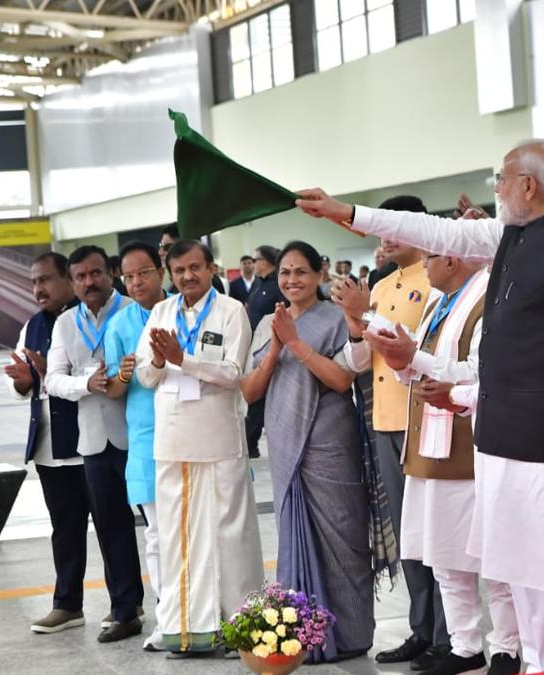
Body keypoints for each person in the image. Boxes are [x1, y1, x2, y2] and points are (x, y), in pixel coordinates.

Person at [297, 137, 544, 675]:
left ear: (528, 185)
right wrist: (347, 213)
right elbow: (438, 232)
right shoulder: (514, 234)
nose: (493, 190)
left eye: (500, 179)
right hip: (507, 445)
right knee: (531, 579)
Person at [363, 253, 522, 675]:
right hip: (428, 440)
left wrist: (413, 358)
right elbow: (419, 365)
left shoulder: (487, 299)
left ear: (452, 260)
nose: (424, 265)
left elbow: (478, 371)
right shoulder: (438, 301)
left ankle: (507, 647)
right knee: (444, 554)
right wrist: (402, 361)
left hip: (468, 442)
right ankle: (464, 645)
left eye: (430, 256)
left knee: (492, 558)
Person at [241, 241, 381, 663]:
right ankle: (303, 635)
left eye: (300, 272)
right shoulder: (268, 321)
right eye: (284, 272)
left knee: (344, 538)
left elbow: (341, 380)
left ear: (320, 274)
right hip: (284, 443)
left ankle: (351, 635)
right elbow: (250, 391)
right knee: (293, 536)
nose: (291, 280)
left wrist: (297, 344)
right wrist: (278, 347)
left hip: (330, 441)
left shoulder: (338, 318)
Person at [333, 196, 448, 669]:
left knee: (439, 531)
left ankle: (450, 635)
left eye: (393, 226)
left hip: (427, 418)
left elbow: (418, 347)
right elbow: (360, 360)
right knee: (409, 535)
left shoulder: (439, 278)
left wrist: (366, 316)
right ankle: (422, 629)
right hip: (384, 418)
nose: (384, 235)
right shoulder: (380, 285)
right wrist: (353, 322)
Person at [135, 240, 264, 658]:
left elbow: (232, 373)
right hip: (172, 439)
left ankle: (239, 627)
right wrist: (158, 361)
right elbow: (146, 376)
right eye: (179, 270)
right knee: (176, 536)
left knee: (229, 535)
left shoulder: (231, 311)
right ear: (170, 273)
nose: (187, 276)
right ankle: (184, 629)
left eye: (195, 267)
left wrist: (182, 357)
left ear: (211, 269)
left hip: (218, 437)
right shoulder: (160, 312)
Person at [44, 245, 145, 643]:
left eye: (97, 273)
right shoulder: (66, 324)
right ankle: (126, 608)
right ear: (72, 282)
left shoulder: (133, 311)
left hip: (140, 431)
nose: (90, 282)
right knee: (111, 526)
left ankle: (179, 605)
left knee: (161, 524)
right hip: (95, 442)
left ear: (112, 273)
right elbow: (53, 379)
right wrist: (86, 384)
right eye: (81, 276)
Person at [3, 252, 87, 635]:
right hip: (50, 446)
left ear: (69, 280)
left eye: (47, 280)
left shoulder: (88, 319)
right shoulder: (32, 326)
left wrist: (49, 372)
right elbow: (19, 384)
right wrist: (23, 379)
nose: (39, 289)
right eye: (34, 282)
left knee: (112, 526)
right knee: (64, 529)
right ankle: (67, 605)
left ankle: (127, 605)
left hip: (90, 441)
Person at [101, 242, 168, 650]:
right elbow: (111, 389)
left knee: (197, 531)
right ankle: (169, 616)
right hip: (145, 438)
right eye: (128, 276)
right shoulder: (121, 324)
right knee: (157, 534)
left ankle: (207, 610)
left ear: (161, 271)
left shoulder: (182, 311)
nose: (137, 282)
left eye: (143, 272)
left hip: (192, 432)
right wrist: (123, 375)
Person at [244, 245, 285, 459]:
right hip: (254, 344)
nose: (253, 263)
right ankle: (251, 441)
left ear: (266, 261)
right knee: (254, 397)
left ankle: (251, 440)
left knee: (260, 399)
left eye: (256, 259)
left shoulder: (277, 284)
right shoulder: (257, 284)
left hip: (272, 345)